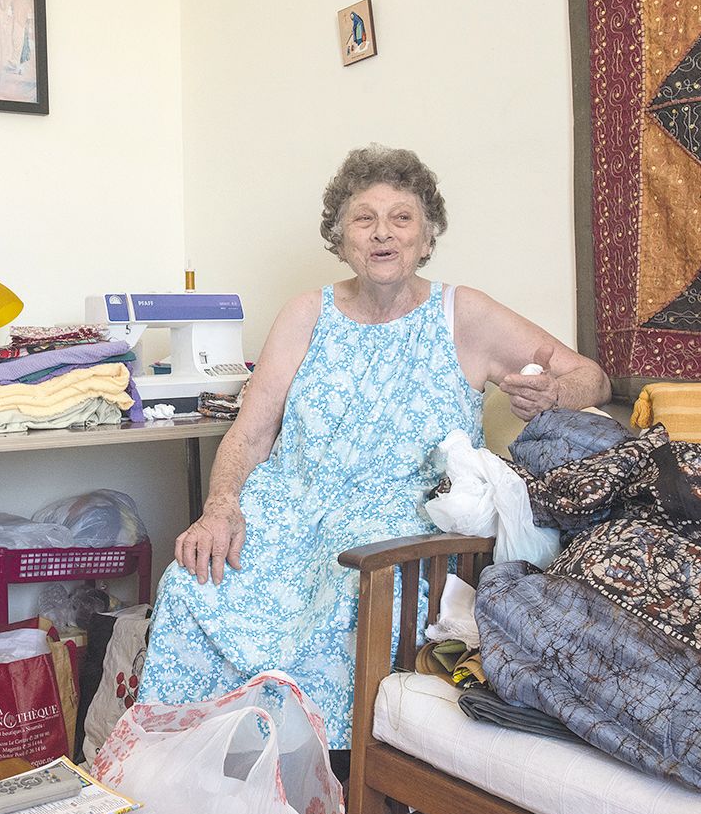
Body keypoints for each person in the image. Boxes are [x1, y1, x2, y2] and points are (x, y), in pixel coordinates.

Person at [138, 144, 609, 755]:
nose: (383, 233)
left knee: (345, 603)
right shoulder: (306, 313)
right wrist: (221, 505)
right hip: (286, 513)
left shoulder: (461, 313)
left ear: (427, 236)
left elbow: (590, 378)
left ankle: (319, 786)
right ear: (341, 236)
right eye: (364, 219)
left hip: (395, 527)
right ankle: (201, 778)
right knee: (190, 583)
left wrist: (551, 391)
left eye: (402, 218)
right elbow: (251, 433)